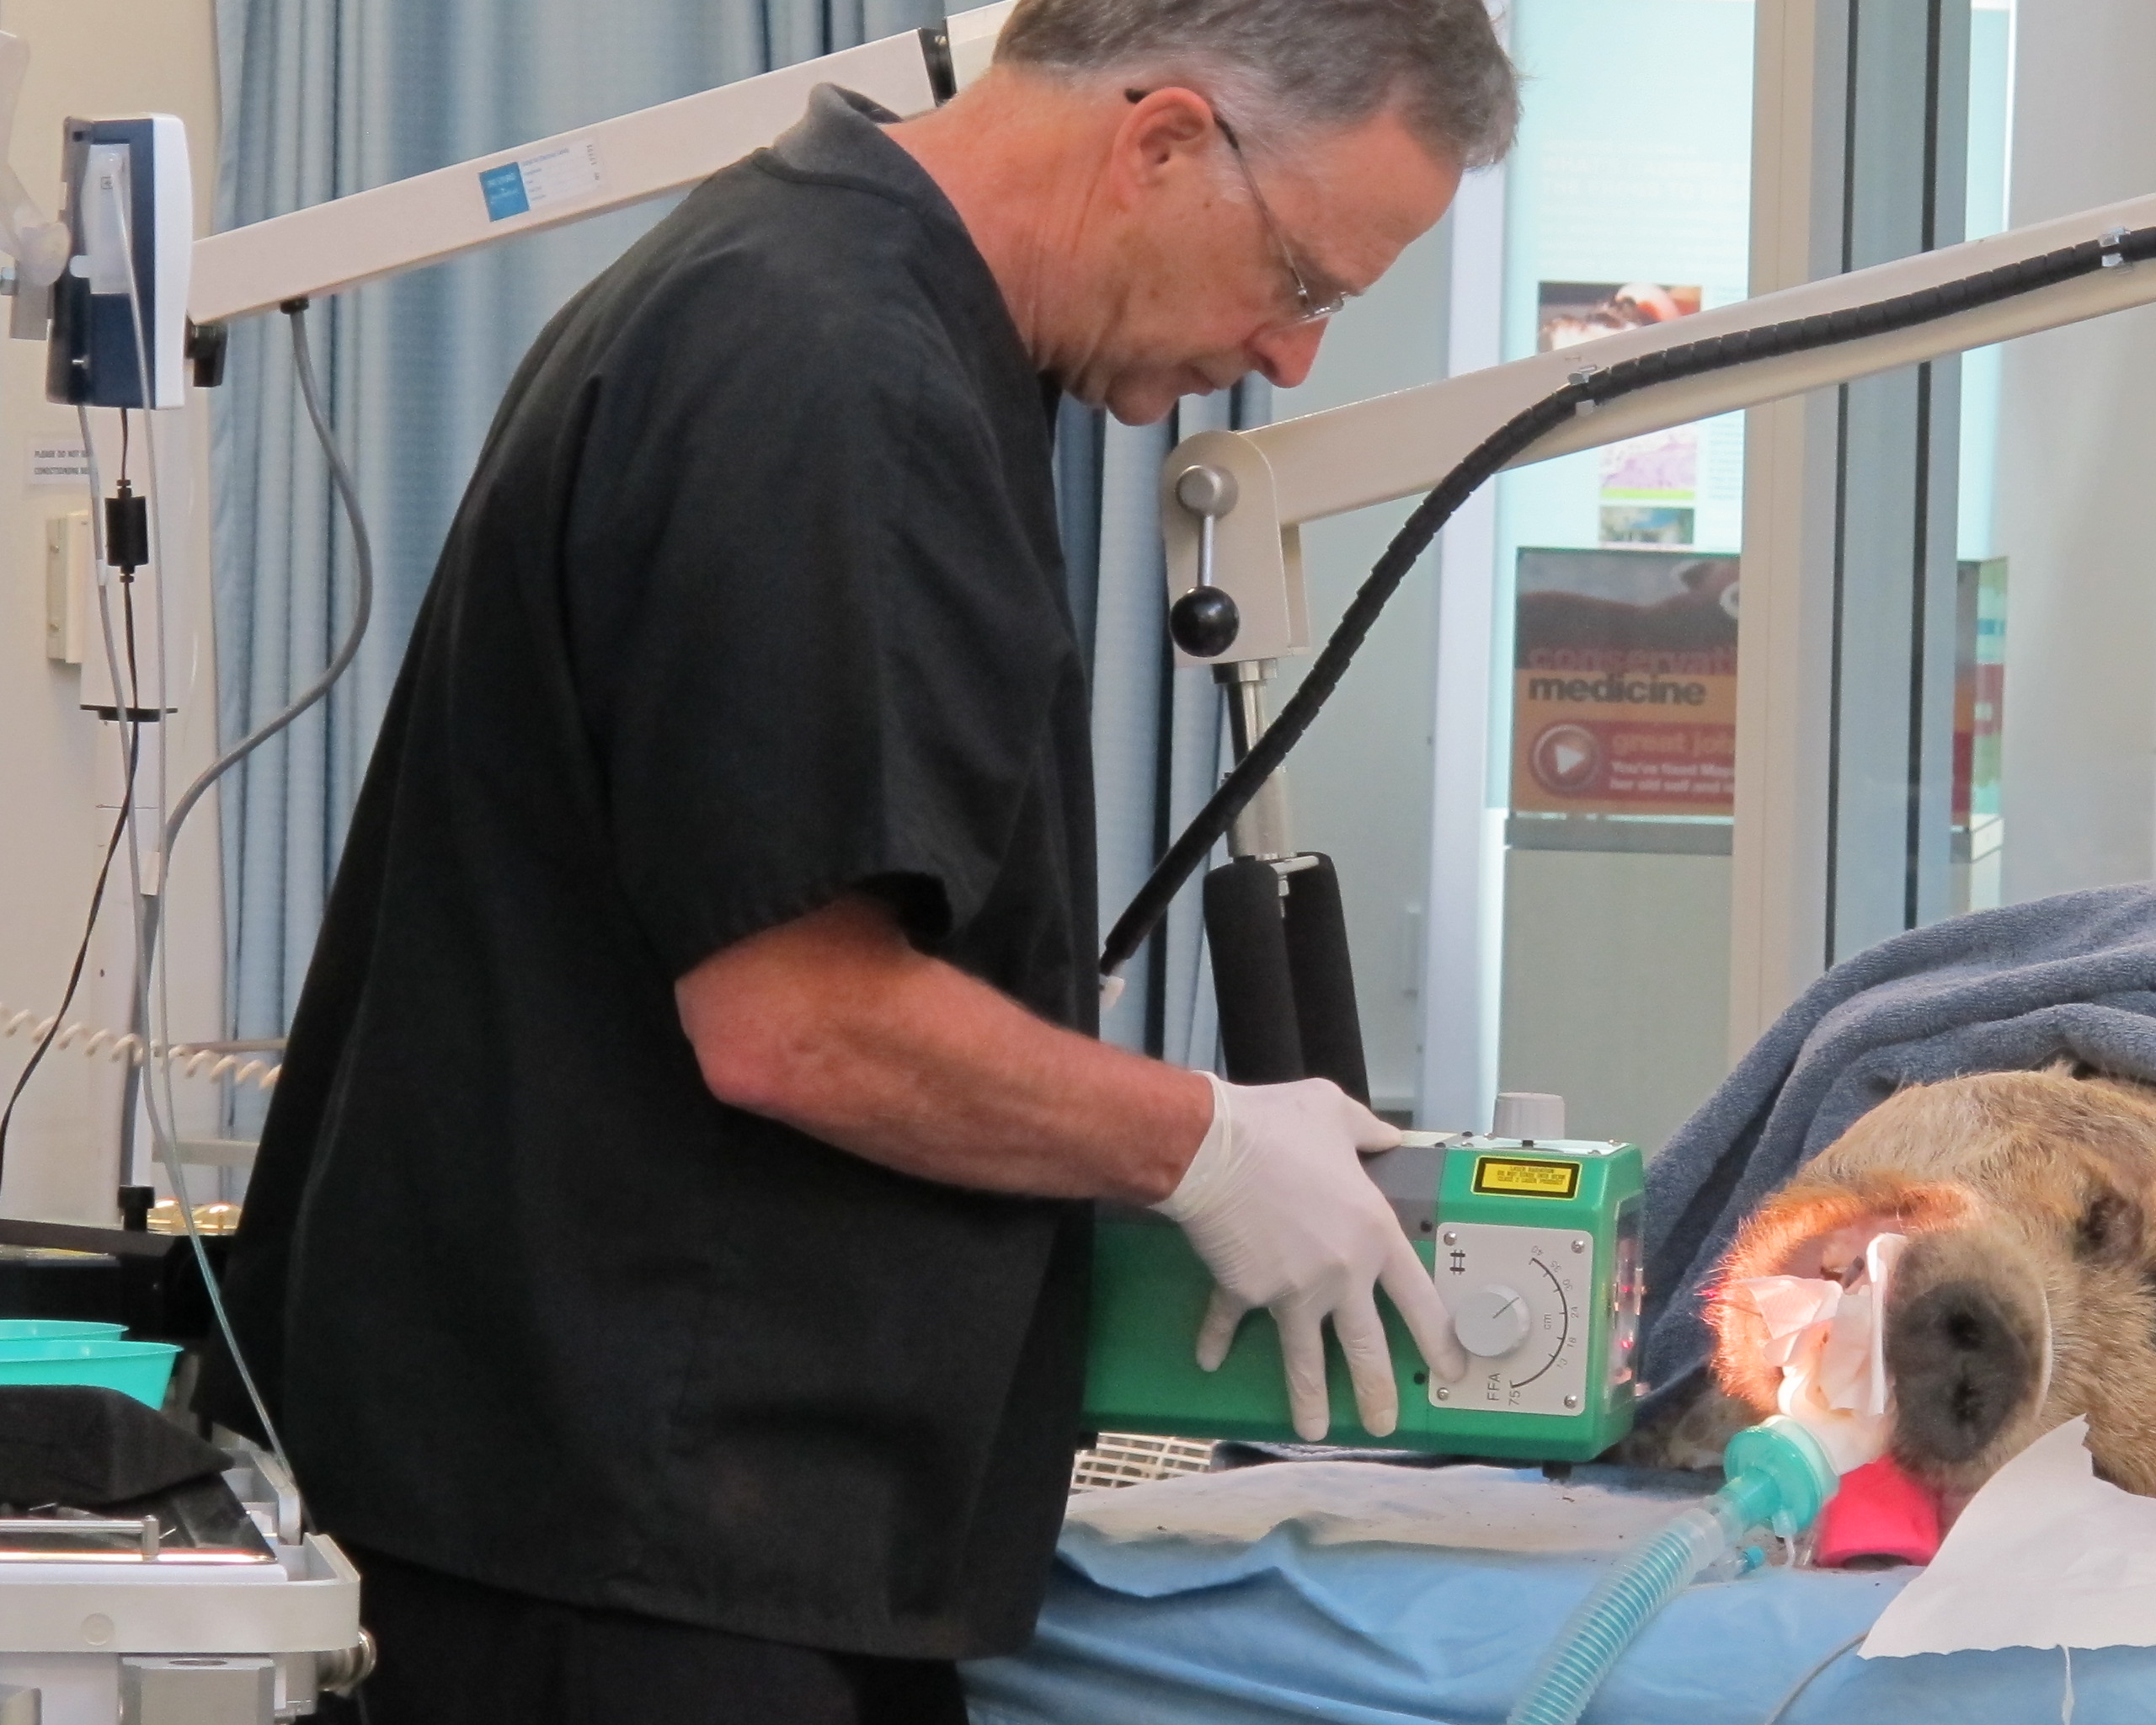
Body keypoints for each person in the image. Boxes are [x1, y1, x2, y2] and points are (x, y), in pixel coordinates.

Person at [211, 3, 1517, 1721]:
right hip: (633, 1557)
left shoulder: (833, 310)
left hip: (660, 1521)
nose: (1291, 358)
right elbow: (797, 1017)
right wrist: (1198, 1145)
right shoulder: (825, 369)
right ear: (1165, 142)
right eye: (1306, 280)